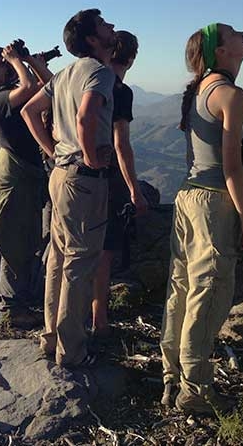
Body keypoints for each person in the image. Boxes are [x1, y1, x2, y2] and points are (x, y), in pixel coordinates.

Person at [159, 23, 243, 415]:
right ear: (220, 51)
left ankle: (172, 375)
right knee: (209, 293)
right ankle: (194, 391)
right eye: (233, 33)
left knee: (181, 288)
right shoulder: (231, 95)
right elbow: (231, 168)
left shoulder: (200, 89)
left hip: (187, 198)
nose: (242, 33)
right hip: (215, 203)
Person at [21, 9, 117, 367]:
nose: (112, 27)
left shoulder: (63, 75)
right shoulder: (99, 73)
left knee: (58, 258)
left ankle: (51, 339)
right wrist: (90, 156)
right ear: (92, 39)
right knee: (79, 261)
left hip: (60, 174)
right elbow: (85, 116)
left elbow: (30, 112)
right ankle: (72, 351)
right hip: (84, 180)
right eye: (105, 25)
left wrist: (53, 151)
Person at [0, 42, 53, 327]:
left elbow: (50, 87)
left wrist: (30, 61)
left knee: (0, 240)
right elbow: (31, 87)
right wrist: (20, 62)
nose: (7, 65)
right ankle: (12, 309)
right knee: (13, 242)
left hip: (14, 175)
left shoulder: (6, 96)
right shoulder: (0, 99)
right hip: (14, 179)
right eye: (1, 64)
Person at [90, 30, 149, 338]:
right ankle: (99, 320)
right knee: (104, 250)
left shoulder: (83, 80)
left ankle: (63, 318)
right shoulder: (119, 90)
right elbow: (121, 144)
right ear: (131, 58)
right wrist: (135, 190)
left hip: (65, 172)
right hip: (105, 177)